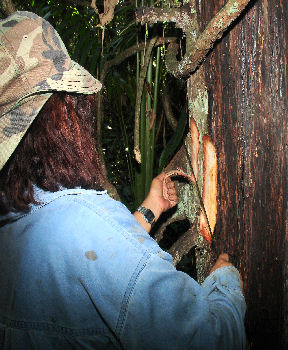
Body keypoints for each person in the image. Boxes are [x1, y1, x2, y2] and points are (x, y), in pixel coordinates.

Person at [0, 11, 246, 349]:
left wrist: (149, 209)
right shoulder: (86, 223)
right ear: (63, 115)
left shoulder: (15, 224)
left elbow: (81, 268)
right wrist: (226, 285)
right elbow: (209, 341)